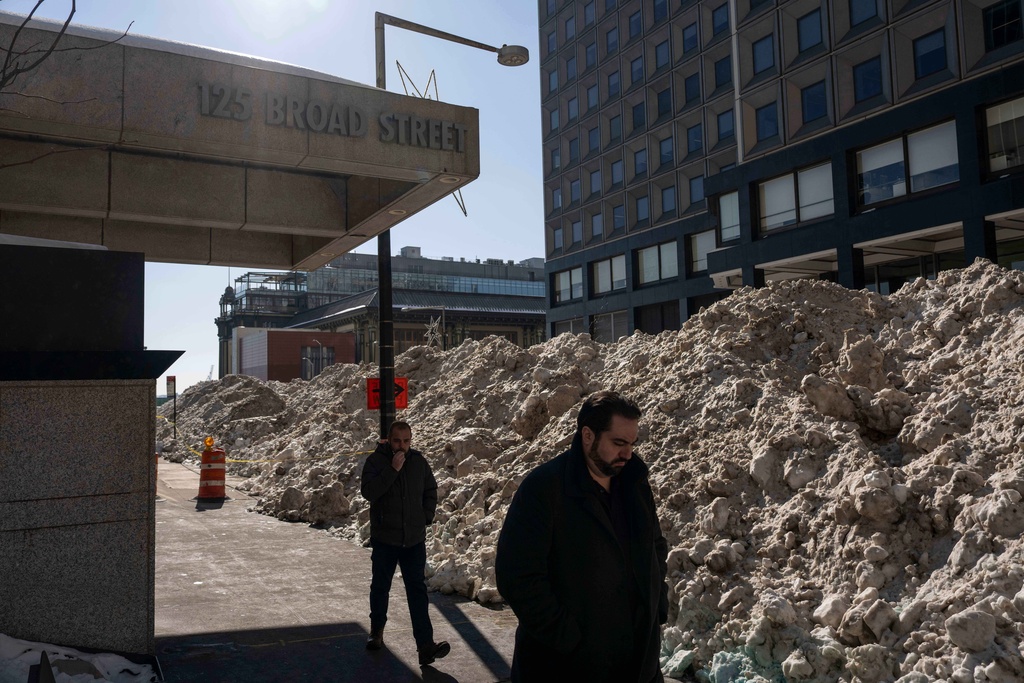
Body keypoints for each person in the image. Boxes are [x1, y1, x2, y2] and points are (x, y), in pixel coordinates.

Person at [495, 390, 669, 682]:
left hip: (638, 664)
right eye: (618, 443)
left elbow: (656, 547)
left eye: (631, 444)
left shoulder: (635, 483)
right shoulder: (545, 489)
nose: (627, 453)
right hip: (564, 667)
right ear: (588, 436)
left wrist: (657, 606)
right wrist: (568, 639)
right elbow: (517, 576)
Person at [360, 420, 450, 667]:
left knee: (417, 592)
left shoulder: (419, 462)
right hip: (385, 539)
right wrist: (392, 470)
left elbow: (430, 489)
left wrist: (424, 517)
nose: (403, 446)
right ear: (389, 440)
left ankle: (425, 647)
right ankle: (376, 632)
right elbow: (368, 492)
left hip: (413, 540)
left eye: (407, 441)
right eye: (398, 440)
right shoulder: (375, 462)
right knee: (380, 587)